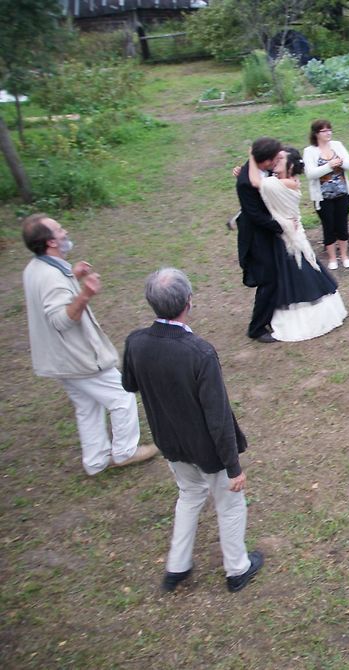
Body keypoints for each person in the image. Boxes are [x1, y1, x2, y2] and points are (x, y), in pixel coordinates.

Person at [122, 268, 263, 593]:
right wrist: (233, 467)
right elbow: (218, 417)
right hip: (206, 450)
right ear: (189, 301)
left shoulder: (135, 342)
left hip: (170, 441)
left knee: (189, 494)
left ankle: (177, 567)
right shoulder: (199, 352)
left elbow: (128, 384)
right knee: (229, 504)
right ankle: (237, 569)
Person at [20, 214, 157, 475]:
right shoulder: (51, 277)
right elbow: (61, 320)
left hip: (59, 360)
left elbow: (53, 295)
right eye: (60, 230)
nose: (65, 231)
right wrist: (85, 293)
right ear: (50, 242)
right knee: (122, 395)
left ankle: (95, 460)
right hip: (78, 358)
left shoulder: (36, 268)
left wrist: (72, 275)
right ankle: (125, 451)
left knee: (87, 406)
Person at [248, 146, 347, 341]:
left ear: (290, 165)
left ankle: (303, 317)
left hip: (288, 235)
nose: (275, 161)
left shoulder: (284, 183)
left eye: (280, 159)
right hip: (287, 231)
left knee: (296, 274)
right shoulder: (279, 180)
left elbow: (255, 182)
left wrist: (252, 156)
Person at [236, 137, 284, 343]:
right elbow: (255, 214)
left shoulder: (259, 170)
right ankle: (256, 328)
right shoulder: (246, 181)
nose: (275, 162)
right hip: (256, 237)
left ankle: (272, 316)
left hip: (266, 233)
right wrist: (281, 226)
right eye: (273, 159)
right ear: (263, 160)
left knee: (274, 277)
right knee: (268, 280)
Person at [303, 119, 349, 270]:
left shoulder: (337, 145)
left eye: (329, 130)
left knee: (342, 225)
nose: (328, 133)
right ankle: (332, 258)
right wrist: (329, 166)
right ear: (316, 134)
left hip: (342, 193)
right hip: (323, 198)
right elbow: (310, 174)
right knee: (328, 226)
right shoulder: (310, 151)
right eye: (324, 131)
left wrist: (340, 163)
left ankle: (345, 256)